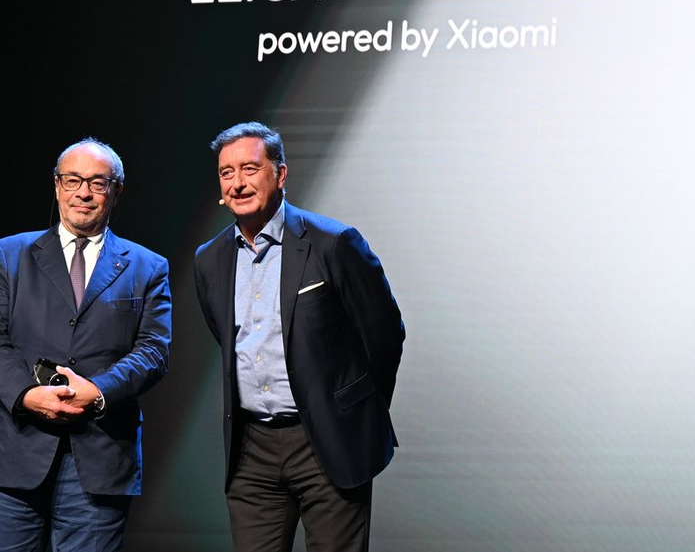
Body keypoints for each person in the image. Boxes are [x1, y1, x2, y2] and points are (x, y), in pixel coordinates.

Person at [194, 121, 404, 552]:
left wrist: (351, 411)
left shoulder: (333, 243)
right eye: (227, 172)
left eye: (250, 168)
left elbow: (384, 335)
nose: (237, 183)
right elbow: (228, 341)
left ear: (281, 174)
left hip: (328, 442)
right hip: (252, 451)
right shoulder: (209, 260)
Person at [0, 138, 172, 552]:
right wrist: (26, 395)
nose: (83, 193)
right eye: (73, 180)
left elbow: (154, 350)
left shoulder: (148, 266)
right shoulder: (8, 255)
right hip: (16, 455)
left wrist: (97, 391)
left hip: (101, 457)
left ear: (116, 190)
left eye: (97, 182)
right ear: (57, 185)